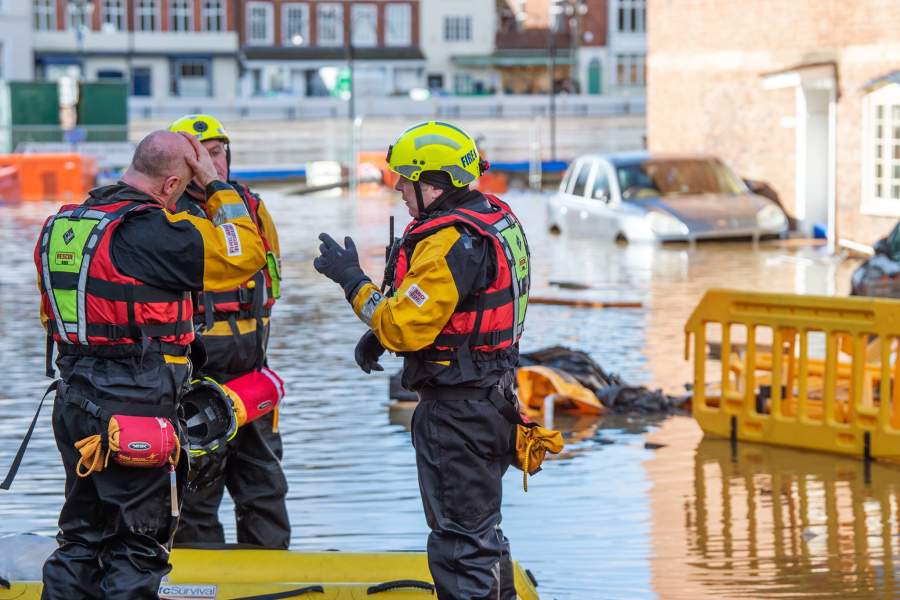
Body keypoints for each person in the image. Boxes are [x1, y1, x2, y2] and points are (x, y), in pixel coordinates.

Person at [36, 130, 267, 599]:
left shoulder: (68, 224)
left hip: (75, 398)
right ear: (170, 186)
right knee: (137, 545)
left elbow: (52, 314)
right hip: (135, 404)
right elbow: (246, 254)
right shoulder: (152, 231)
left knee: (81, 539)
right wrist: (217, 186)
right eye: (184, 187)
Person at [313, 121, 531, 599]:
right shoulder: (493, 218)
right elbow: (455, 314)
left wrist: (352, 281)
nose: (397, 188)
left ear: (433, 183)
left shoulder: (450, 241)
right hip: (493, 400)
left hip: (458, 414)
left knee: (460, 544)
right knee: (482, 533)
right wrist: (385, 339)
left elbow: (403, 324)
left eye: (405, 179)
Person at [166, 114, 289, 549]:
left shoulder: (252, 209)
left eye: (217, 153)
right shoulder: (168, 216)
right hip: (193, 383)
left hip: (251, 376)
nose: (211, 164)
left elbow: (270, 279)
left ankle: (274, 573)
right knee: (196, 493)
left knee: (265, 485)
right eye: (201, 156)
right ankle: (203, 583)